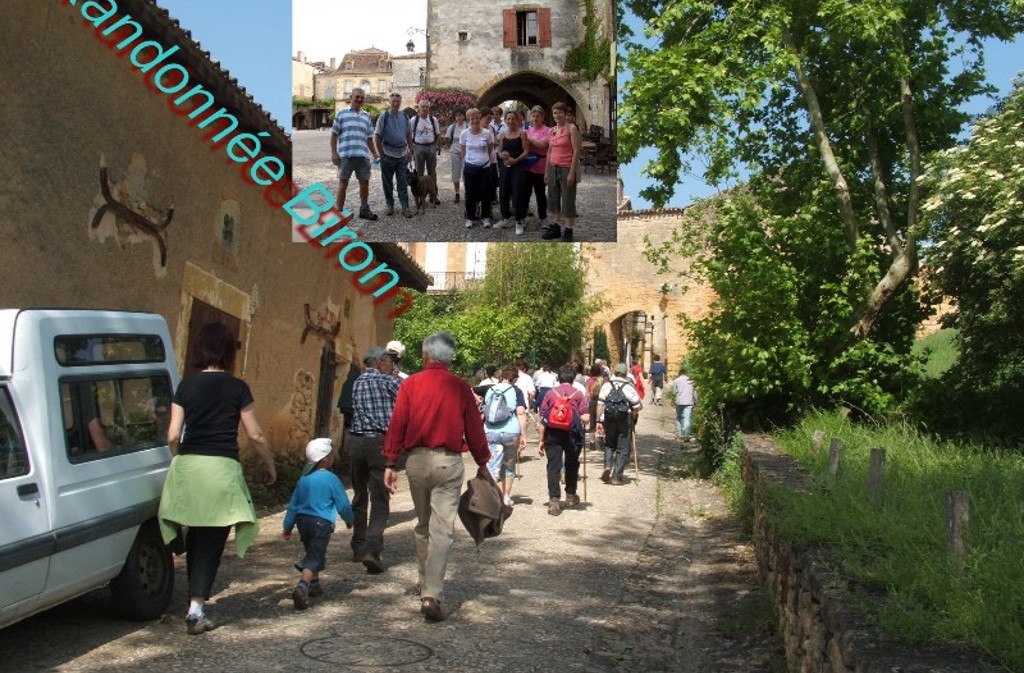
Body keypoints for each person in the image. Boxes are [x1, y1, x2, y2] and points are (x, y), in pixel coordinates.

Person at [158, 322, 277, 635]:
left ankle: (191, 589)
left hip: (189, 466)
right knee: (211, 538)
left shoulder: (185, 386)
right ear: (228, 351)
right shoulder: (238, 388)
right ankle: (196, 609)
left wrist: (180, 460)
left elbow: (172, 435)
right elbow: (255, 434)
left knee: (194, 527)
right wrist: (269, 463)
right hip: (221, 469)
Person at [383, 332, 491, 623]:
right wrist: (483, 461)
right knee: (442, 529)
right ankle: (431, 593)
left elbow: (398, 422)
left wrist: (390, 461)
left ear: (425, 355)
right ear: (450, 358)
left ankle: (424, 584)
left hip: (417, 461)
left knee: (423, 525)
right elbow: (474, 428)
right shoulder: (460, 386)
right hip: (448, 462)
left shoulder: (410, 384)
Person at [283, 438, 353, 610]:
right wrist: (349, 519)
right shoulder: (331, 479)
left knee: (312, 550)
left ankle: (314, 584)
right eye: (331, 454)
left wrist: (288, 525)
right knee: (315, 556)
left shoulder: (304, 479)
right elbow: (343, 504)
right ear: (325, 459)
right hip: (321, 523)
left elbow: (293, 505)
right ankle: (302, 586)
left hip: (302, 522)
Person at [348, 347, 401, 573]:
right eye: (390, 361)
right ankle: (373, 549)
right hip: (379, 442)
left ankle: (358, 546)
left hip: (356, 441)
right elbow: (408, 395)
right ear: (380, 363)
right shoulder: (388, 382)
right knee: (380, 498)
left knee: (359, 495)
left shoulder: (357, 382)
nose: (393, 366)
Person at [538, 365, 589, 515]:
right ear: (573, 378)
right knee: (572, 464)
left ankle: (554, 500)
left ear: (559, 378)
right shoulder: (578, 394)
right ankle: (570, 496)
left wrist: (541, 440)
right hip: (573, 434)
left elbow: (542, 417)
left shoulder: (550, 393)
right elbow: (586, 418)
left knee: (553, 466)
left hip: (552, 433)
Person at [330, 87, 380, 221]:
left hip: (362, 156)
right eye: (357, 96)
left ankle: (364, 209)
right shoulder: (341, 114)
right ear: (351, 98)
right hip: (345, 156)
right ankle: (339, 211)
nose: (359, 99)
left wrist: (375, 154)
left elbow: (369, 139)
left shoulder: (366, 116)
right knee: (343, 183)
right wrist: (334, 152)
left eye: (362, 97)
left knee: (364, 183)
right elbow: (334, 135)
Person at [482, 366, 528, 507]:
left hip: (490, 431)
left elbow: (484, 410)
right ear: (514, 379)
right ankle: (505, 496)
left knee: (491, 463)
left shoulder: (490, 389)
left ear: (502, 376)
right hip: (510, 432)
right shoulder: (516, 391)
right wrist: (523, 434)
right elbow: (521, 413)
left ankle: (489, 496)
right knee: (509, 464)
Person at [596, 362, 643, 486]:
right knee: (623, 447)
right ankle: (616, 477)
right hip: (624, 419)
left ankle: (607, 465)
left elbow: (600, 404)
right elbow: (638, 405)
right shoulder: (629, 386)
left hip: (609, 418)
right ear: (625, 374)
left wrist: (598, 421)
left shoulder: (607, 385)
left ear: (615, 372)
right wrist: (633, 416)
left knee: (609, 444)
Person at [542, 102, 582, 242]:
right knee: (553, 199)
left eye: (560, 112)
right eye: (555, 113)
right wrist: (546, 171)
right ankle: (556, 227)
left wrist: (572, 173)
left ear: (565, 114)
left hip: (566, 168)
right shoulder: (552, 130)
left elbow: (576, 151)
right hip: (553, 167)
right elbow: (549, 151)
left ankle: (569, 230)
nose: (557, 115)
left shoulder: (571, 128)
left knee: (568, 199)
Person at [374, 92, 414, 218]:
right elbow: (377, 136)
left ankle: (405, 207)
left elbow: (409, 134)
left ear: (401, 102)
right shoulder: (384, 116)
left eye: (398, 101)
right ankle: (390, 205)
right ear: (389, 102)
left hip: (402, 154)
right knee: (387, 182)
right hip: (387, 154)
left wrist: (410, 151)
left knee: (402, 182)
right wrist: (381, 154)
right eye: (393, 101)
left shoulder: (404, 116)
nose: (396, 103)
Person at [495, 109, 530, 235]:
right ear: (505, 120)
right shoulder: (502, 134)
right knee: (503, 192)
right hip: (505, 167)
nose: (510, 121)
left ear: (517, 120)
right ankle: (505, 218)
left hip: (518, 167)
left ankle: (519, 221)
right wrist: (502, 155)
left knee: (517, 193)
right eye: (508, 119)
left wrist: (515, 160)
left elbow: (526, 151)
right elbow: (499, 152)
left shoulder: (522, 134)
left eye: (513, 119)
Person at [459, 108, 494, 229]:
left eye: (476, 118)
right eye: (471, 119)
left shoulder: (487, 133)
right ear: (468, 120)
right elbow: (463, 151)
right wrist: (470, 161)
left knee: (485, 193)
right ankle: (470, 217)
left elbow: (489, 149)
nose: (474, 121)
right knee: (470, 193)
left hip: (484, 167)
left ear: (480, 118)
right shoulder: (464, 134)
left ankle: (485, 217)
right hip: (470, 167)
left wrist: (482, 159)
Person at [523, 105, 551, 231]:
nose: (535, 118)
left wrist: (529, 140)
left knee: (540, 194)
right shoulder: (528, 130)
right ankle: (522, 217)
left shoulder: (547, 130)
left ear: (543, 117)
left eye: (538, 116)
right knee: (525, 194)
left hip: (540, 167)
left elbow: (543, 144)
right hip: (528, 167)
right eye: (533, 116)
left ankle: (543, 218)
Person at [410, 100, 442, 205]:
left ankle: (434, 196)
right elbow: (409, 135)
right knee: (419, 173)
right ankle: (420, 196)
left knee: (432, 173)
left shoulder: (433, 120)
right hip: (418, 147)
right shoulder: (414, 120)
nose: (424, 108)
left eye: (426, 107)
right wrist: (411, 149)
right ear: (419, 108)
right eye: (423, 106)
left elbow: (438, 134)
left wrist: (437, 146)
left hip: (431, 147)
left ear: (429, 108)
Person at [446, 109, 469, 204]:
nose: (458, 117)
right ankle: (457, 193)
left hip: (466, 153)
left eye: (460, 115)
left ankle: (467, 193)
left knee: (466, 173)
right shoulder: (452, 128)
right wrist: (452, 148)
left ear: (464, 116)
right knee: (455, 173)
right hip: (455, 152)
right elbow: (448, 140)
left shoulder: (468, 127)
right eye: (456, 115)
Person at [672, 366, 698, 441]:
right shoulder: (691, 381)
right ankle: (686, 436)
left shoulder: (676, 381)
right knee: (687, 419)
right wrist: (696, 401)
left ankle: (679, 434)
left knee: (678, 417)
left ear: (679, 373)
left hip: (679, 402)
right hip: (689, 402)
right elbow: (694, 393)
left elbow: (674, 392)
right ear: (686, 373)